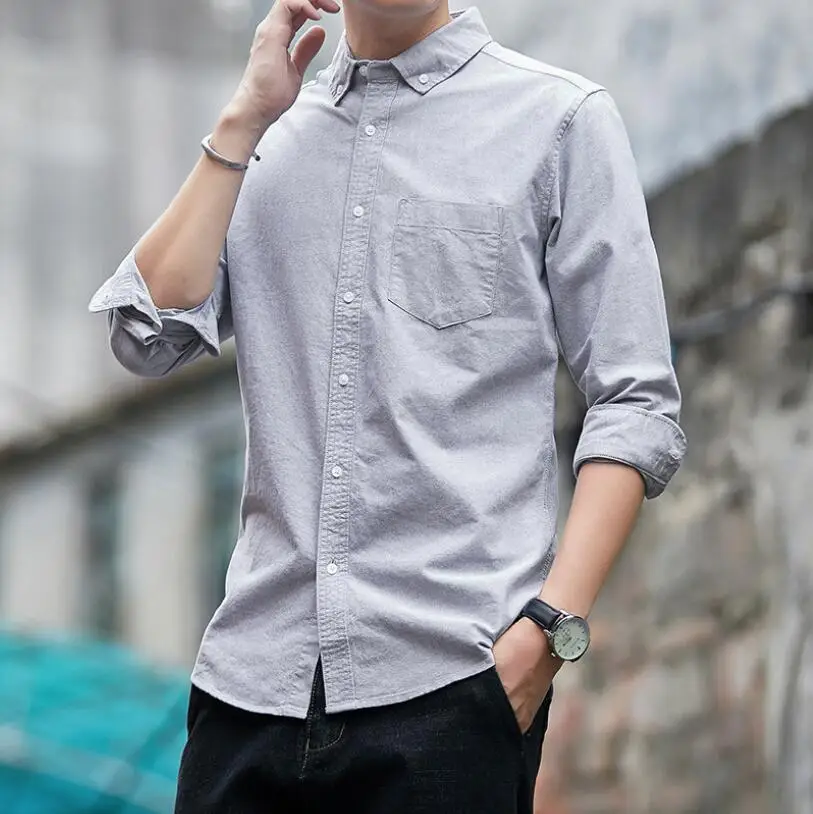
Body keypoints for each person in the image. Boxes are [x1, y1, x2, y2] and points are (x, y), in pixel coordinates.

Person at [89, 2, 687, 812]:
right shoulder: (270, 138)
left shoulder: (557, 121)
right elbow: (146, 338)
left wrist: (549, 633)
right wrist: (242, 120)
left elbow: (634, 400)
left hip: (450, 687)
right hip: (250, 690)